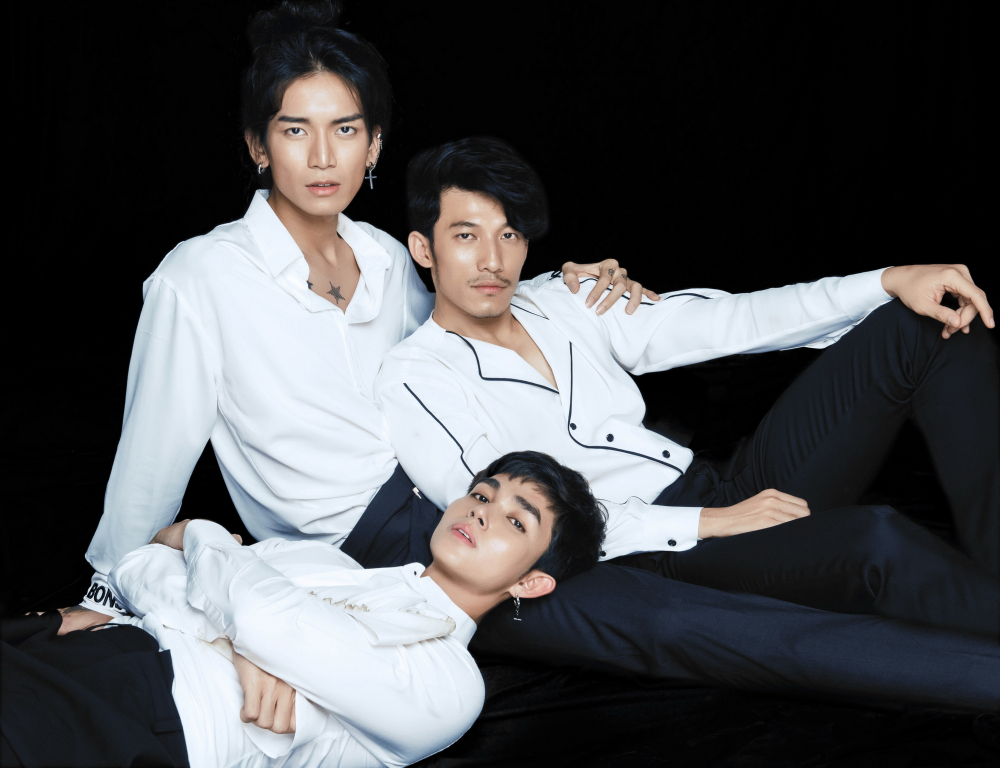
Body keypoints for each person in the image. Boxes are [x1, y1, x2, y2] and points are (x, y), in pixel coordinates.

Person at [67, 1, 650, 630]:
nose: (323, 157)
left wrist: (566, 289)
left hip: (459, 491)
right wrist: (110, 592)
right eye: (295, 131)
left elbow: (463, 339)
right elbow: (153, 452)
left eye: (345, 130)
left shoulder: (385, 257)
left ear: (373, 145)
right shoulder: (200, 276)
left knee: (655, 555)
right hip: (361, 542)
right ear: (258, 145)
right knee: (634, 616)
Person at [372, 136, 1000, 710]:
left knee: (925, 323)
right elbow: (514, 523)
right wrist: (710, 523)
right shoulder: (417, 375)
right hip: (655, 547)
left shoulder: (564, 299)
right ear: (424, 248)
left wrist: (887, 280)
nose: (492, 260)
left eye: (509, 235)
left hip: (721, 486)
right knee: (875, 540)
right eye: (466, 235)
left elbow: (729, 321)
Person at [2, 451, 607, 768]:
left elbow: (258, 615)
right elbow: (139, 564)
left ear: (531, 582)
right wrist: (238, 643)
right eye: (482, 493)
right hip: (80, 646)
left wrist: (200, 535)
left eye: (516, 520)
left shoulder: (449, 682)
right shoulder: (321, 559)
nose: (481, 511)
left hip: (157, 720)